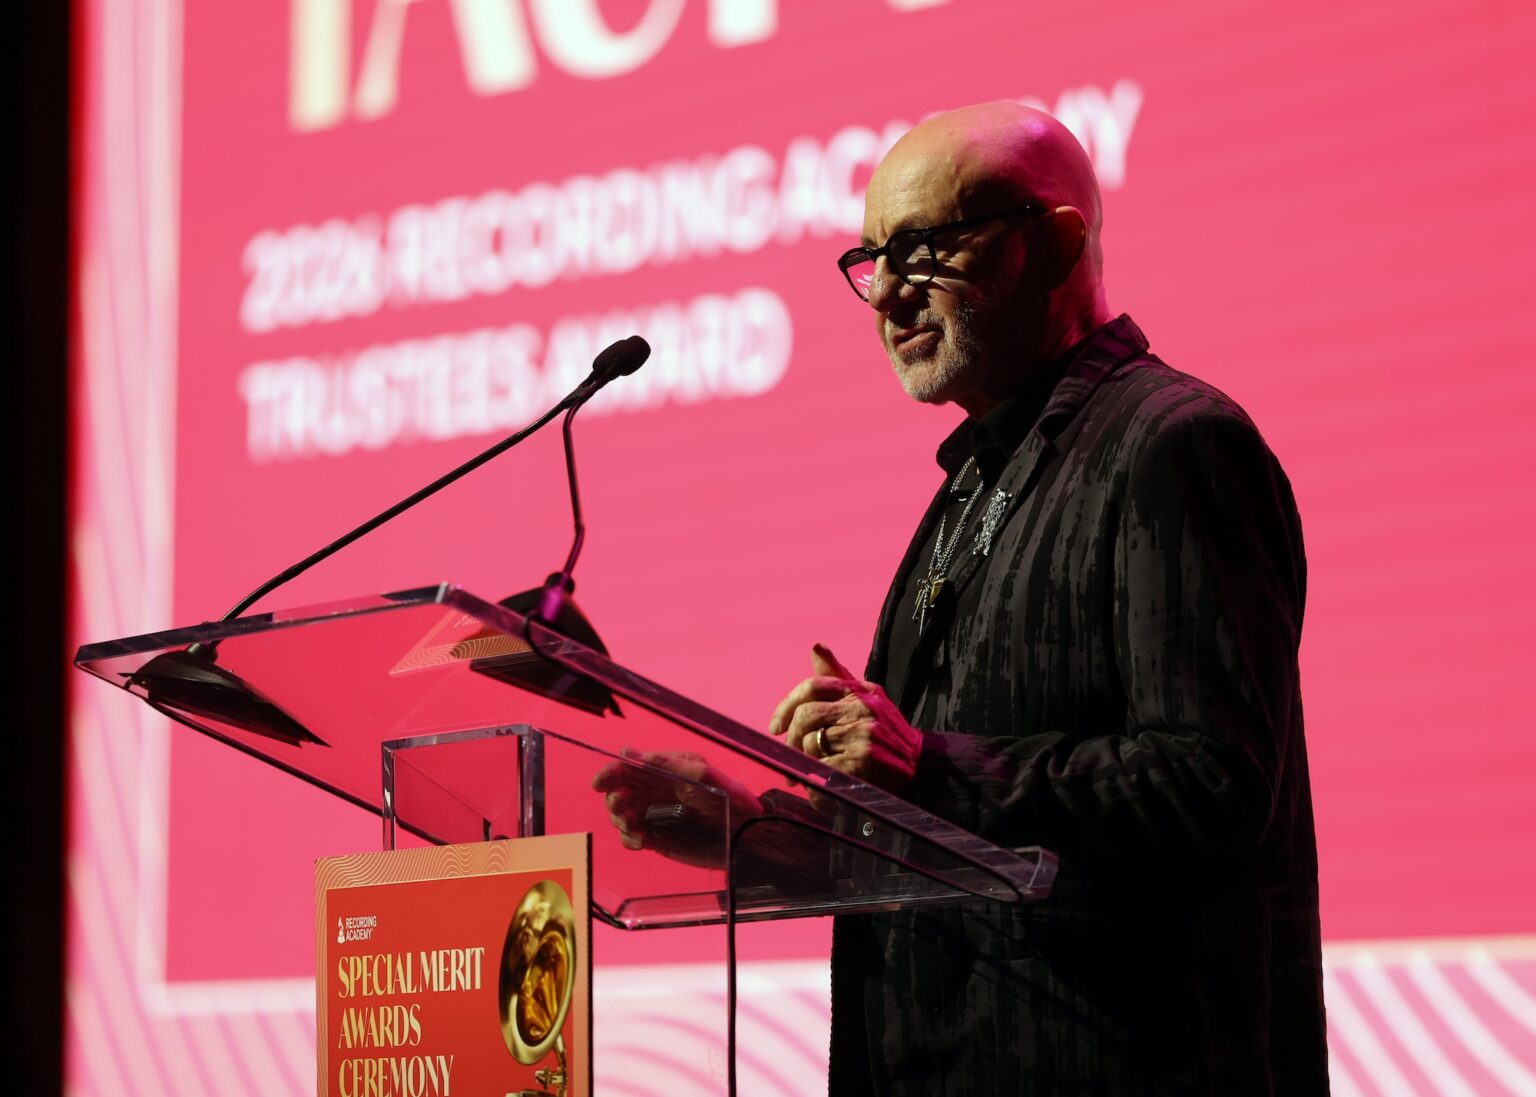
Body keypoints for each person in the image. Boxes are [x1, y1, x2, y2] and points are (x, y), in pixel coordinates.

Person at [763, 102, 1329, 1093]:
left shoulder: (1173, 444)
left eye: (924, 249)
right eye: (871, 259)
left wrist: (930, 766)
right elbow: (933, 819)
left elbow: (1213, 783)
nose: (887, 292)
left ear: (1057, 242)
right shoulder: (974, 479)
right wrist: (748, 828)